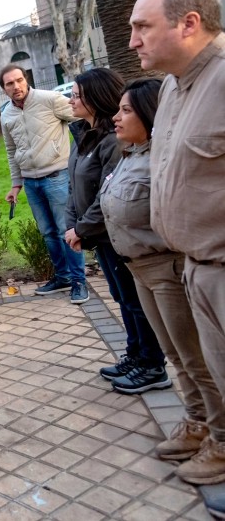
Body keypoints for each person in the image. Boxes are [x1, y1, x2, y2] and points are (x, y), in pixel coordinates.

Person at [100, 78, 225, 478]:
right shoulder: (130, 154)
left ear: (150, 115)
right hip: (140, 269)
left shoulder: (162, 160)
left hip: (167, 269)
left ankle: (220, 440)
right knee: (175, 356)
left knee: (195, 358)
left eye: (126, 111)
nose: (116, 117)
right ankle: (196, 422)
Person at [130, 0, 225, 486]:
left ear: (189, 24)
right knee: (211, 370)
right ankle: (216, 437)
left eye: (143, 27)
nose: (133, 40)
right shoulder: (173, 86)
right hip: (194, 265)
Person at [63, 69, 168, 392]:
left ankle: (152, 364)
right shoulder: (85, 134)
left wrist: (81, 228)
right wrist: (73, 223)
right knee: (122, 298)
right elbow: (75, 184)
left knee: (135, 301)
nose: (72, 100)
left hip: (113, 234)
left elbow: (104, 193)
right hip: (98, 234)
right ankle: (135, 354)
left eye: (78, 94)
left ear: (96, 97)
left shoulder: (112, 140)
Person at [0, 64, 88, 303]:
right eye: (10, 83)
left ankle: (79, 281)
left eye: (19, 80)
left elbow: (84, 116)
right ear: (4, 88)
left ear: (26, 79)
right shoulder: (6, 114)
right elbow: (11, 150)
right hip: (30, 182)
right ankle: (63, 277)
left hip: (57, 177)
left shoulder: (50, 99)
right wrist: (15, 184)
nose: (16, 86)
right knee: (48, 233)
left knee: (65, 231)